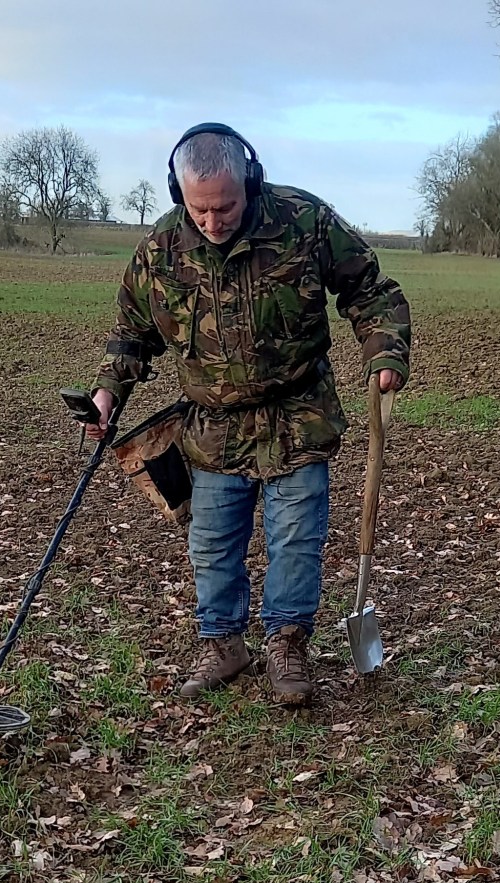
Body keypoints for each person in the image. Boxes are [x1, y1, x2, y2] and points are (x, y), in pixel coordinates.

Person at [87, 123, 410, 706]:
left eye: (226, 206)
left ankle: (287, 646)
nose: (213, 221)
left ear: (250, 181)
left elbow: (369, 289)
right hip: (212, 428)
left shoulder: (303, 222)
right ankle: (224, 644)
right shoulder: (160, 251)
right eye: (199, 209)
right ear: (177, 192)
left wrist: (384, 349)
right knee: (211, 543)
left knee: (294, 540)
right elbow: (132, 334)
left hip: (298, 415)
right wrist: (107, 393)